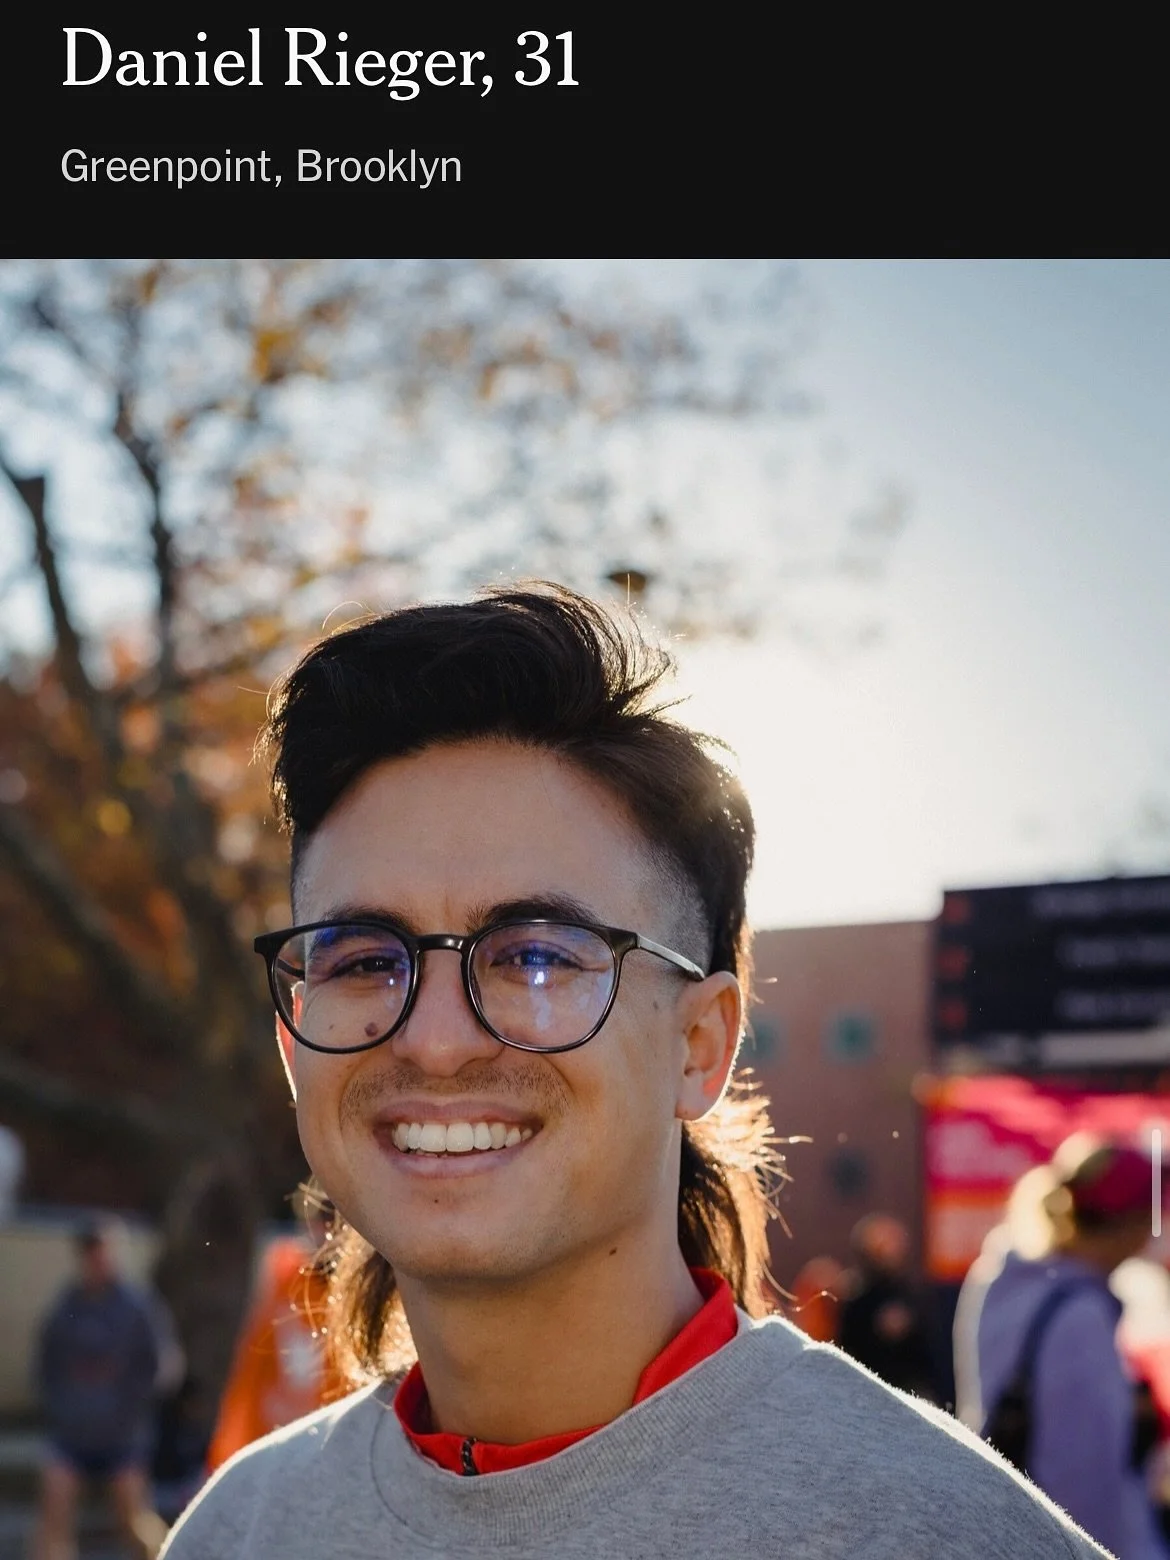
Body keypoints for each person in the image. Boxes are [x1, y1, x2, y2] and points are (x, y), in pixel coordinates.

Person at [162, 583, 1109, 1558]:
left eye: (535, 954)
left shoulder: (942, 1536)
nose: (435, 1040)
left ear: (700, 1045)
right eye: (364, 958)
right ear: (295, 1042)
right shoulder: (239, 1532)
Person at [958, 1133, 1170, 1559]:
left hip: (1006, 1531)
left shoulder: (1006, 1279)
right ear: (1130, 1223)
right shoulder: (1080, 1318)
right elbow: (1083, 1483)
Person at [33, 1215, 176, 1560]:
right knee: (53, 1515)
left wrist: (131, 1410)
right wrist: (63, 1410)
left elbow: (163, 1366)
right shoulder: (67, 1306)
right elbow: (45, 1365)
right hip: (73, 1436)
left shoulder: (136, 1307)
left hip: (122, 1438)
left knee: (134, 1524)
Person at [205, 1199, 347, 1471]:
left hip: (329, 1440)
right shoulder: (287, 1277)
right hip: (276, 1431)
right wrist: (229, 1443)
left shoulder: (356, 1293)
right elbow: (253, 1362)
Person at [837, 1212, 939, 1400]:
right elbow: (849, 1343)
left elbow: (926, 1346)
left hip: (908, 1390)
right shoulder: (855, 1294)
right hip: (868, 1390)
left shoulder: (907, 1292)